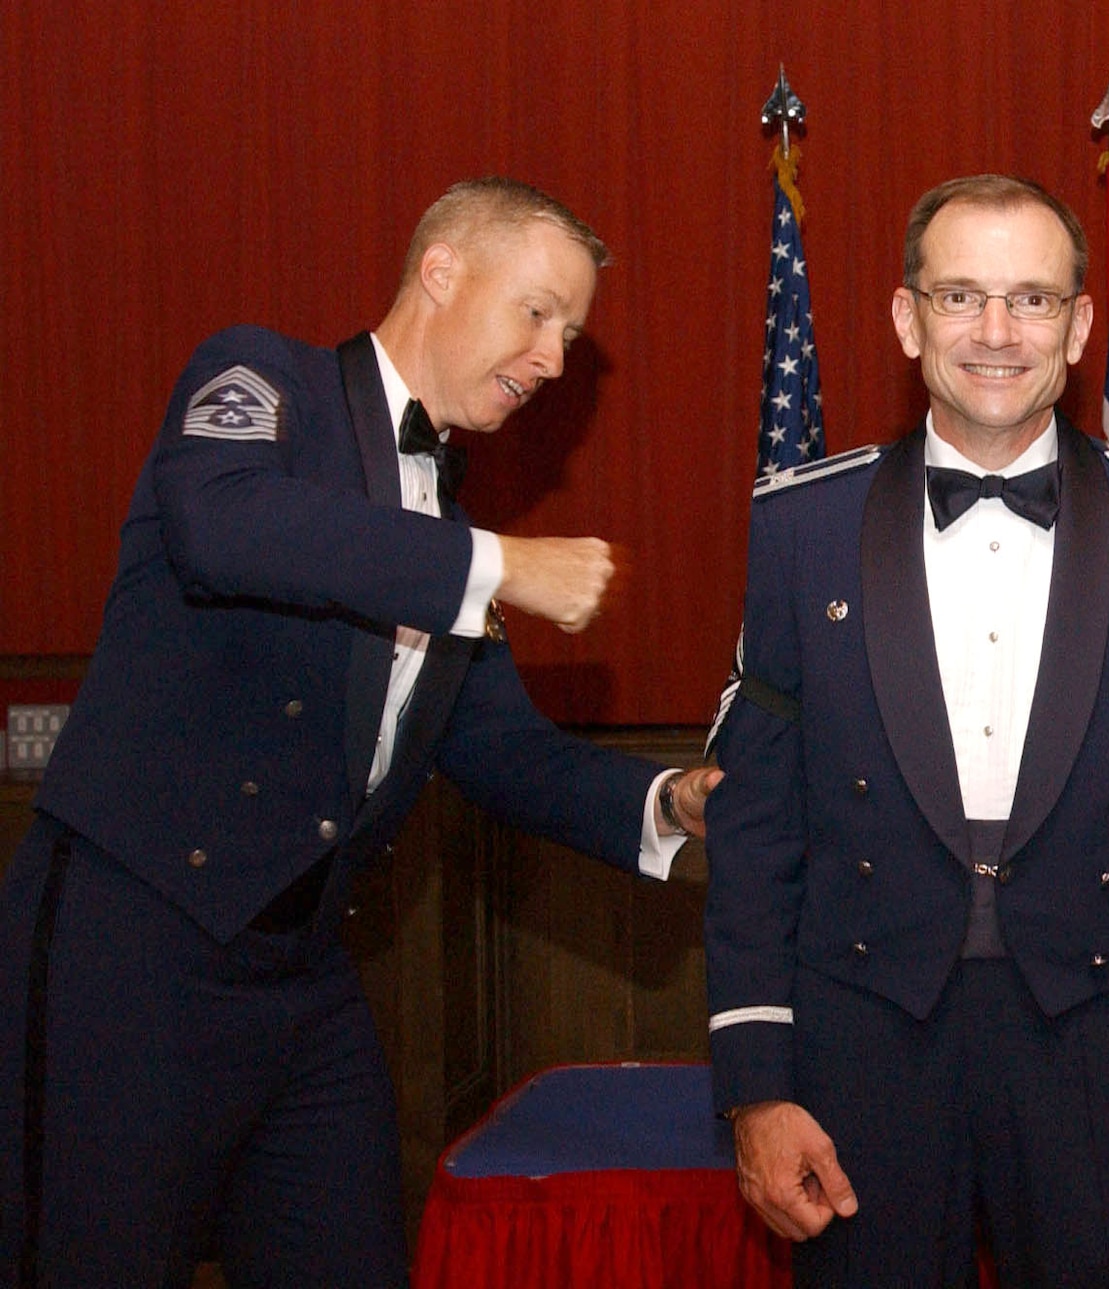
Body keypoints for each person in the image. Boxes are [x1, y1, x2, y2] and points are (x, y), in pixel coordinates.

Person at [0, 177, 718, 1288]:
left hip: (304, 972)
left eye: (570, 336)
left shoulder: (446, 522)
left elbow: (499, 750)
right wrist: (498, 566)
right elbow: (221, 523)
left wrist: (670, 800)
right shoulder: (265, 380)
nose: (551, 359)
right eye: (536, 313)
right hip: (135, 943)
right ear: (441, 270)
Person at [704, 174, 1109, 1287]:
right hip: (859, 1049)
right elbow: (754, 824)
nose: (994, 331)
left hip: (1105, 1048)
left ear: (1078, 325)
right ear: (906, 317)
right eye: (960, 295)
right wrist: (756, 1086)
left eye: (1031, 299)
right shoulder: (801, 525)